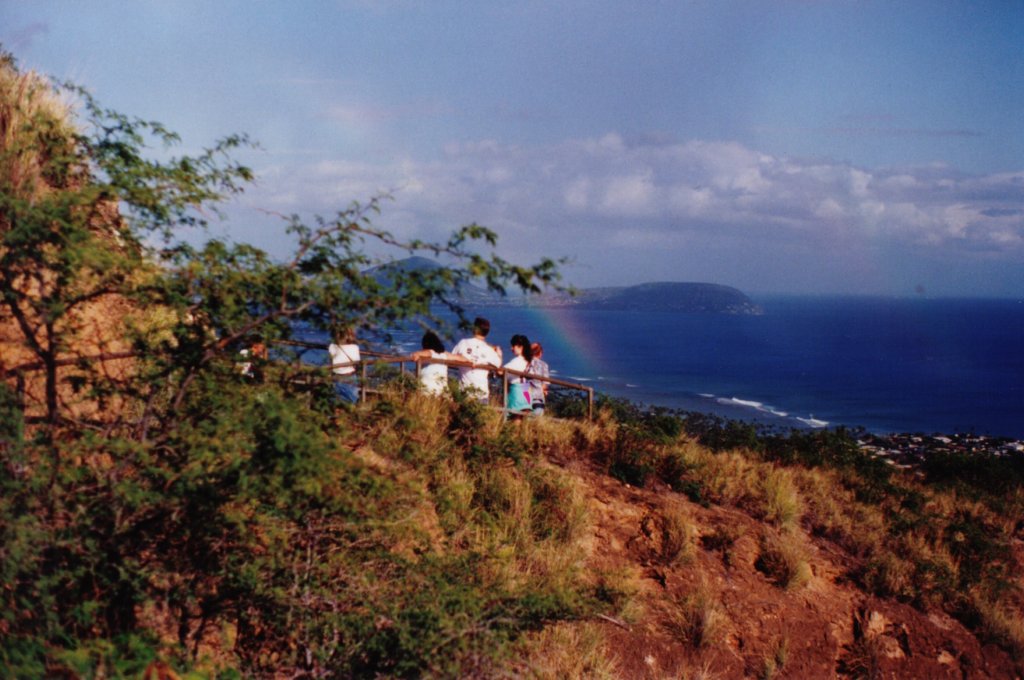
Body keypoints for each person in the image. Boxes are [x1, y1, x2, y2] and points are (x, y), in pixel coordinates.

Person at [450, 316, 502, 403]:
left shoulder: (463, 343)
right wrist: (499, 353)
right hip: (482, 393)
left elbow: (452, 358)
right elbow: (498, 363)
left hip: (464, 392)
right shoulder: (488, 349)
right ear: (487, 332)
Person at [410, 330, 451, 396]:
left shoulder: (429, 352)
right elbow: (461, 358)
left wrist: (416, 355)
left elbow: (416, 355)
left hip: (427, 391)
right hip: (443, 392)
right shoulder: (444, 354)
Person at [503, 334, 534, 414]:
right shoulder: (528, 362)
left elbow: (501, 371)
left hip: (517, 390)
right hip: (526, 389)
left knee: (515, 416)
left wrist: (499, 356)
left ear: (520, 347)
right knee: (522, 416)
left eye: (513, 346)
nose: (511, 348)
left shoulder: (517, 361)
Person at [328, 329, 360, 404]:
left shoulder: (332, 347)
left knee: (335, 398)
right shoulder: (354, 347)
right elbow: (357, 361)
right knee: (352, 399)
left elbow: (331, 361)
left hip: (336, 375)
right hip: (349, 376)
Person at [528, 341, 550, 415]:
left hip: (525, 394)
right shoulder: (544, 365)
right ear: (540, 353)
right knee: (536, 419)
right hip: (538, 397)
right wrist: (544, 391)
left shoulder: (525, 362)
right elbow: (544, 384)